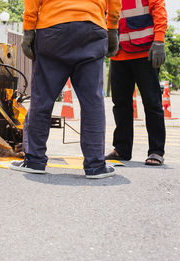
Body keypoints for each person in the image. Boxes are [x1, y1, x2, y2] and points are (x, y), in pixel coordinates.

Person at [9, 0, 122, 178]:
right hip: (91, 27)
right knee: (93, 102)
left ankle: (34, 161)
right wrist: (113, 28)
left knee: (42, 99)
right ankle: (96, 165)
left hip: (53, 29)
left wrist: (28, 29)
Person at [105, 0, 167, 166]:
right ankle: (121, 149)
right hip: (118, 53)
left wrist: (160, 40)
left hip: (145, 52)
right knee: (120, 103)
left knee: (152, 102)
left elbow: (158, 8)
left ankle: (156, 150)